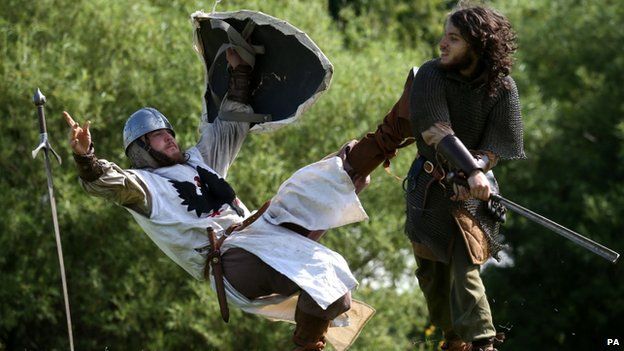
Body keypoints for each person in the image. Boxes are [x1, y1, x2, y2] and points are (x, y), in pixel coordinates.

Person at [64, 48, 372, 351]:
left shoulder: (199, 160)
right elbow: (106, 183)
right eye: (157, 135)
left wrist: (240, 71)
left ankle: (355, 166)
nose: (169, 137)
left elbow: (229, 125)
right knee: (320, 268)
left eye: (167, 131)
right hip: (228, 260)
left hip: (258, 234)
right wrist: (85, 157)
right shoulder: (145, 187)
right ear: (141, 149)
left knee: (334, 287)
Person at [345, 4, 525, 351]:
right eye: (444, 35)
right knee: (433, 282)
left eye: (453, 38)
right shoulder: (431, 75)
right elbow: (434, 132)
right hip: (428, 192)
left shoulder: (503, 88)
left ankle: (484, 344)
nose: (442, 43)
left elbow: (496, 147)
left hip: (473, 198)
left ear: (478, 45)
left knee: (466, 270)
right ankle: (454, 341)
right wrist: (471, 169)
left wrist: (479, 168)